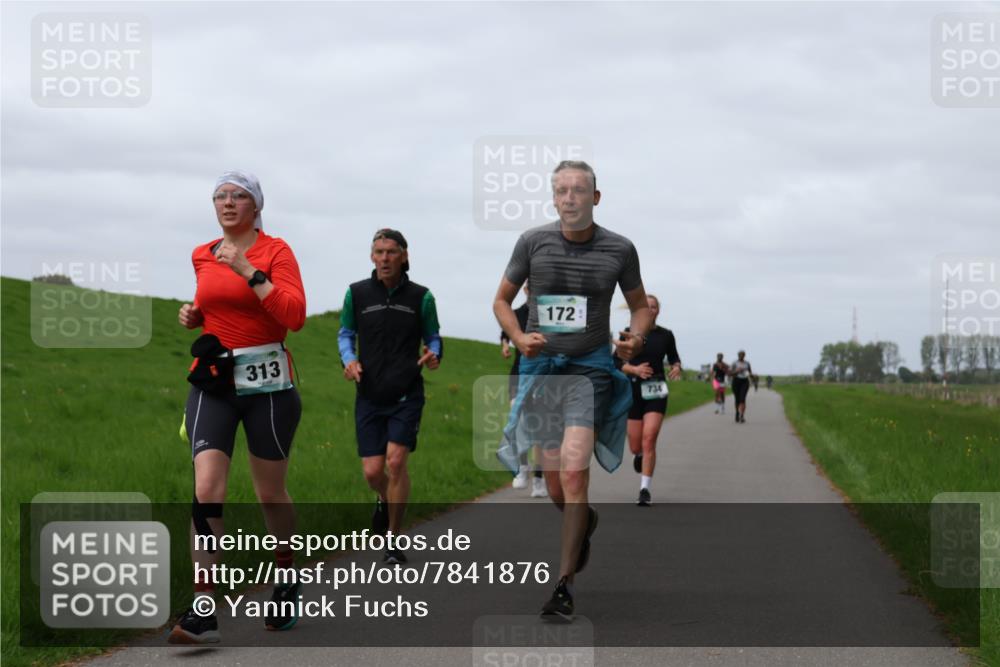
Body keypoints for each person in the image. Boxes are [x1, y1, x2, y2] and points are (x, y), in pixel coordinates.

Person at [494, 160, 651, 622]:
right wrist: (520, 338)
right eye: (561, 190)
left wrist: (636, 337)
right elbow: (502, 300)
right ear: (553, 197)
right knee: (559, 484)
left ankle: (563, 585)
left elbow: (640, 307)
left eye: (579, 190)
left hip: (590, 372)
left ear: (595, 198)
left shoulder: (620, 249)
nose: (569, 198)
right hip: (542, 372)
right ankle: (584, 521)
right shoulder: (532, 242)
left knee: (577, 472)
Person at [170, 171, 306, 643]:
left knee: (271, 493)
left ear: (255, 206)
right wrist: (195, 315)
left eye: (239, 196)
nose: (228, 202)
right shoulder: (201, 253)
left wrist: (248, 269)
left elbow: (293, 316)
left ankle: (287, 577)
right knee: (207, 486)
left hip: (268, 386)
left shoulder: (276, 251)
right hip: (213, 381)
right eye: (220, 196)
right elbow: (215, 307)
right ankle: (203, 606)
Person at [338, 229, 442, 565]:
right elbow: (345, 333)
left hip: (406, 392)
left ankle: (394, 540)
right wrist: (348, 359)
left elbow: (433, 336)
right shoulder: (356, 294)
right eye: (378, 252)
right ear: (372, 256)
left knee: (396, 461)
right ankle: (384, 499)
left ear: (404, 256)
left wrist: (435, 353)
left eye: (391, 252)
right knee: (372, 472)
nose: (384, 258)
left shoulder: (421, 297)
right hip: (368, 393)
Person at [616, 295, 682, 506]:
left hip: (656, 389)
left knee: (649, 437)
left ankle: (645, 489)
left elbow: (674, 358)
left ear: (658, 311)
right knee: (636, 445)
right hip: (633, 390)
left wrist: (676, 367)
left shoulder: (666, 335)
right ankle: (639, 455)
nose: (650, 310)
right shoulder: (628, 333)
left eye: (654, 307)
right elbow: (616, 363)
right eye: (647, 307)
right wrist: (634, 369)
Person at [500, 282, 547, 498]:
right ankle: (522, 468)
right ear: (526, 290)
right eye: (530, 286)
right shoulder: (517, 313)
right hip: (519, 373)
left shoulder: (549, 311)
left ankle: (539, 479)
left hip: (543, 374)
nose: (533, 290)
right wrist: (505, 347)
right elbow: (505, 334)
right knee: (518, 420)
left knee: (538, 431)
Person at [728, 350, 754, 423]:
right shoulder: (734, 363)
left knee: (742, 399)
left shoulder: (747, 363)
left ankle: (742, 416)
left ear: (744, 355)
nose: (741, 356)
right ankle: (737, 413)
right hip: (736, 381)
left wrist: (752, 376)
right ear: (738, 355)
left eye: (743, 355)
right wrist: (737, 371)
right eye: (740, 355)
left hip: (744, 381)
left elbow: (750, 373)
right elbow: (729, 373)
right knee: (737, 399)